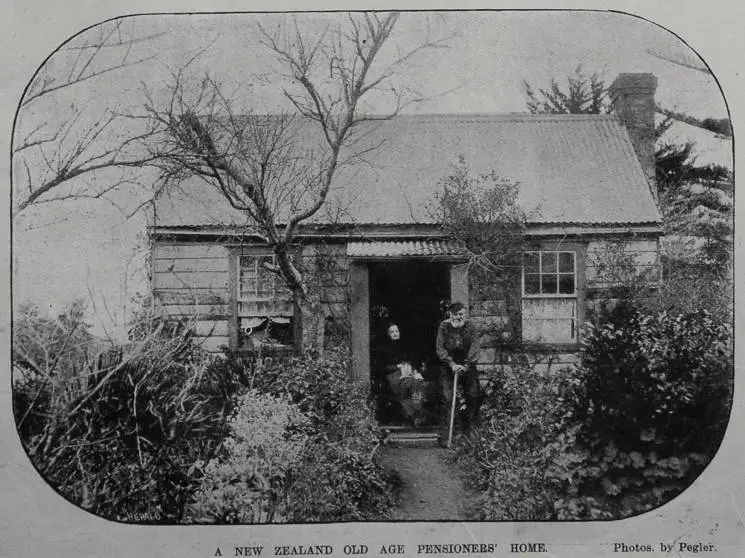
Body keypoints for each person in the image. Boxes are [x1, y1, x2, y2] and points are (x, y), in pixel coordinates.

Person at [436, 302, 482, 434]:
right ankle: (448, 435)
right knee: (447, 398)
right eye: (455, 315)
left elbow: (475, 347)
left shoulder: (471, 326)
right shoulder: (444, 326)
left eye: (461, 314)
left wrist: (466, 365)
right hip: (449, 366)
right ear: (450, 315)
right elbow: (440, 348)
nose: (458, 317)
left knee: (473, 395)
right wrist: (451, 364)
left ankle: (471, 433)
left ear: (465, 314)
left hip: (468, 365)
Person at [378, 323, 427, 427]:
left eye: (396, 331)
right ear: (388, 334)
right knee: (408, 385)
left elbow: (410, 362)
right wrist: (398, 366)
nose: (395, 333)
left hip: (407, 372)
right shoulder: (384, 349)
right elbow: (383, 367)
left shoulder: (405, 347)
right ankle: (415, 414)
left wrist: (413, 371)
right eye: (392, 332)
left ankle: (416, 412)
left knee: (418, 383)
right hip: (393, 376)